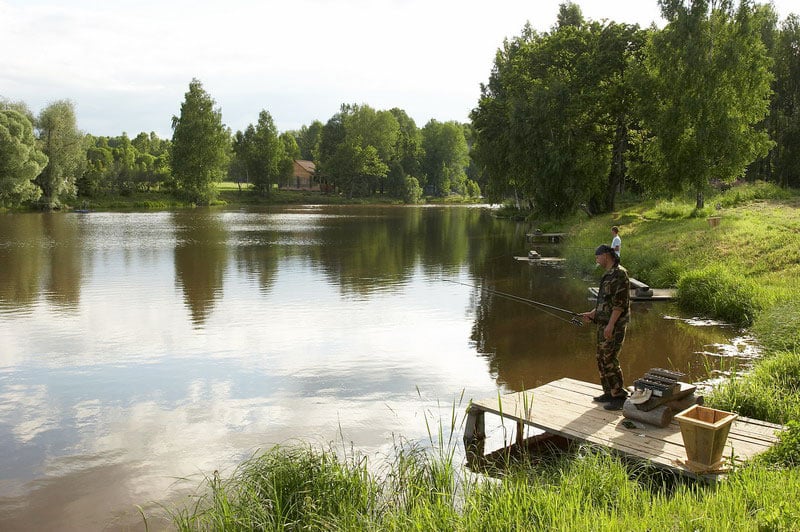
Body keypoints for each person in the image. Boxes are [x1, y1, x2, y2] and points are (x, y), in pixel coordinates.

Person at [580, 244, 631, 410]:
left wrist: (610, 325)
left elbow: (619, 304)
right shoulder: (608, 275)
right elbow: (605, 303)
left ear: (606, 255)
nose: (596, 260)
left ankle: (619, 396)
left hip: (614, 325)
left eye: (597, 257)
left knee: (610, 358)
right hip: (602, 323)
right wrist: (592, 314)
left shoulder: (620, 274)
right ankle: (608, 392)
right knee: (600, 357)